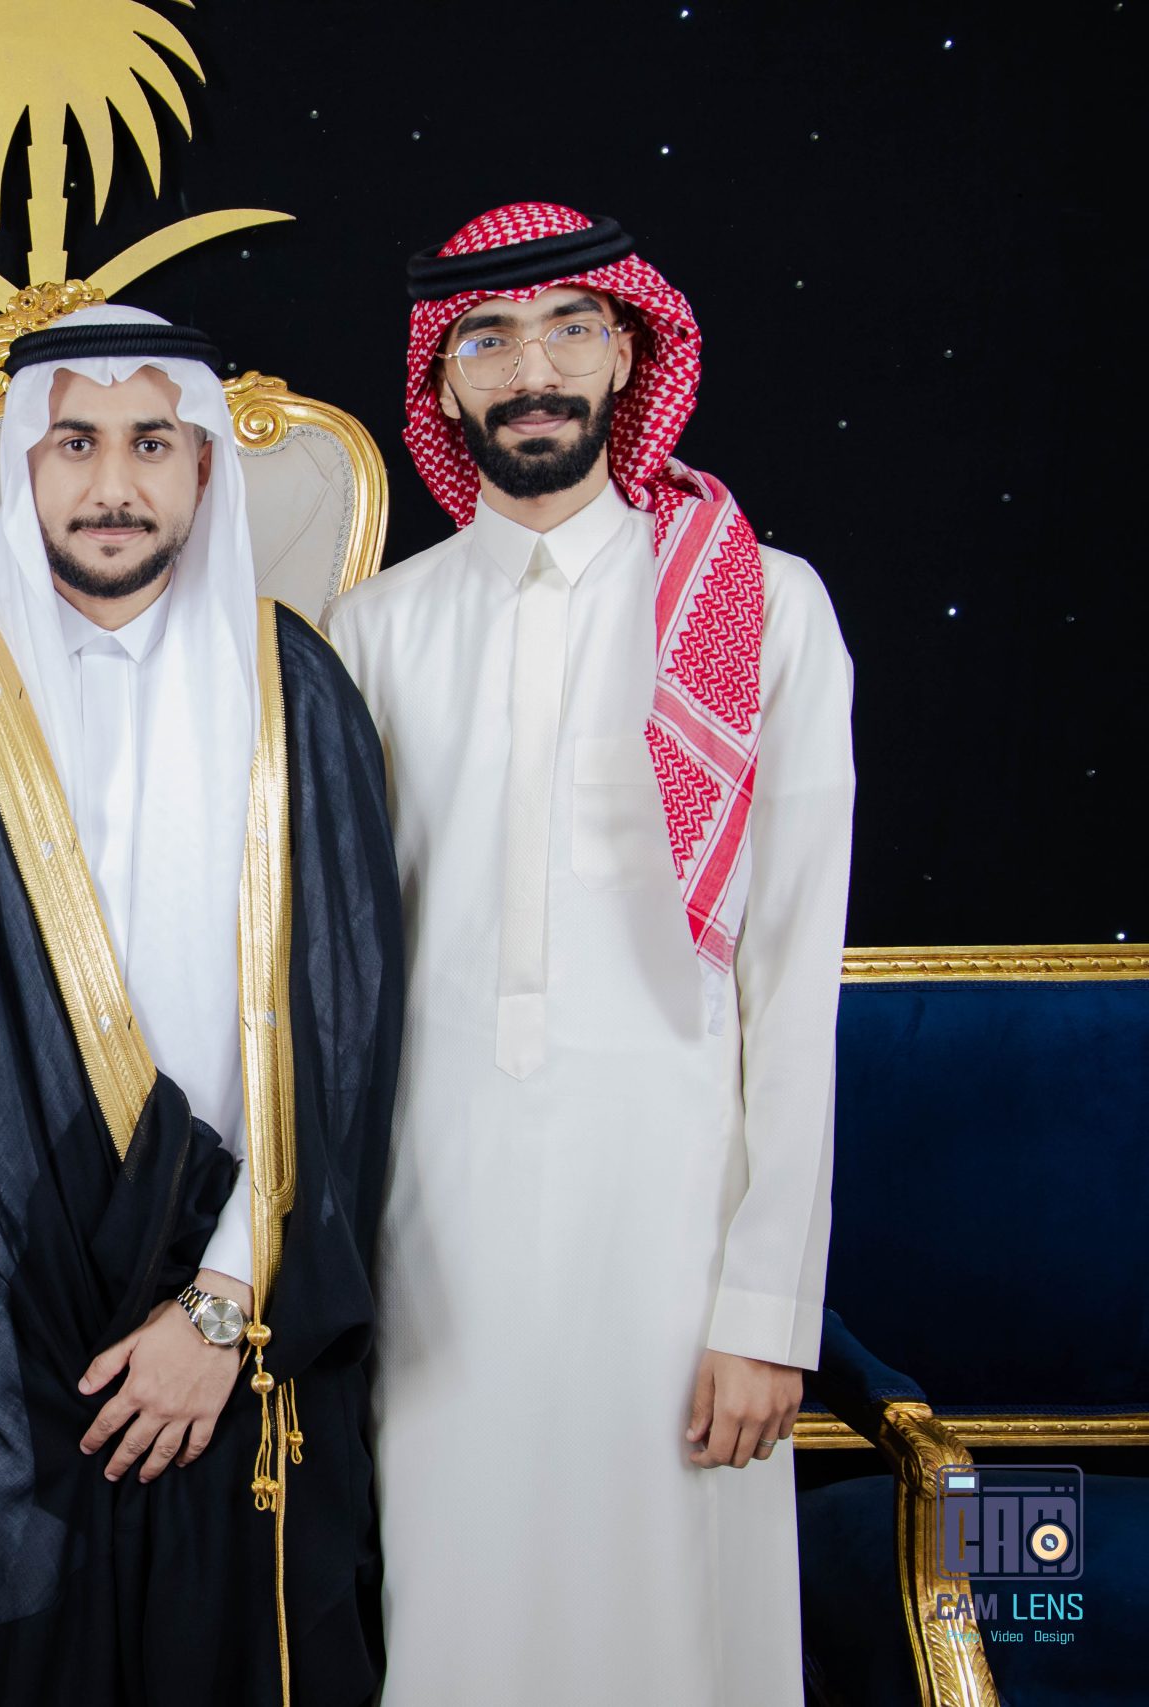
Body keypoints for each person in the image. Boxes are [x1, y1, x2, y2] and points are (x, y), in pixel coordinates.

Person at [0, 305, 403, 1707]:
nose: (113, 484)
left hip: (227, 1322)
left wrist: (224, 1309)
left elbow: (346, 1032)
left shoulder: (294, 685)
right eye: (77, 444)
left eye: (152, 444)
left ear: (204, 466)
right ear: (25, 462)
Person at [328, 203, 853, 1706]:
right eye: (488, 340)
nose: (533, 371)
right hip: (439, 1242)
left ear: (629, 352)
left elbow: (791, 984)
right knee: (458, 1616)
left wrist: (766, 1312)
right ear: (441, 384)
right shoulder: (374, 631)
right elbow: (338, 992)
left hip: (676, 1245)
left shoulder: (764, 608)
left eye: (571, 328)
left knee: (673, 1627)